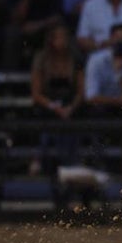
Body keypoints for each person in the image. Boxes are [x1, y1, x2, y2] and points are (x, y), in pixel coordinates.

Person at [29, 22, 85, 175]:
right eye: (57, 38)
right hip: (47, 104)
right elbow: (36, 93)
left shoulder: (76, 58)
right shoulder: (41, 59)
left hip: (70, 104)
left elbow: (81, 91)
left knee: (70, 120)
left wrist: (70, 107)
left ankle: (70, 163)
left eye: (64, 37)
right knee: (49, 120)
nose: (61, 41)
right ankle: (39, 159)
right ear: (51, 40)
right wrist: (54, 107)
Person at [82, 22, 122, 119]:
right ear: (110, 39)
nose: (120, 42)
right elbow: (91, 97)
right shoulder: (95, 60)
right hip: (103, 105)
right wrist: (120, 101)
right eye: (117, 38)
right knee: (96, 110)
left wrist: (119, 74)